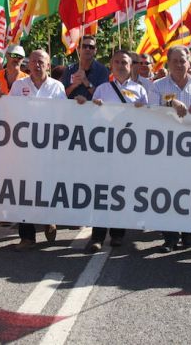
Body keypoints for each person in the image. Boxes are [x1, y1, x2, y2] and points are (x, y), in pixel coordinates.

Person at [77, 50, 148, 253]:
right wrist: (91, 106)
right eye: (116, 61)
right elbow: (92, 118)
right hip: (106, 151)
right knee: (102, 193)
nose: (120, 65)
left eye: (124, 62)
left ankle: (117, 234)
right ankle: (98, 236)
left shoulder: (139, 90)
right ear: (111, 65)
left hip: (128, 151)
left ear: (131, 65)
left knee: (120, 193)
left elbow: (147, 119)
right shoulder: (102, 89)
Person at [0, 49, 66, 251]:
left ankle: (49, 219)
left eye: (41, 62)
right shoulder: (19, 86)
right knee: (24, 191)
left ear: (48, 65)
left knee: (47, 186)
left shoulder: (57, 87)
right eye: (34, 62)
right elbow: (10, 110)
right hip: (24, 148)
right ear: (28, 65)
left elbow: (64, 114)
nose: (37, 65)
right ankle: (27, 237)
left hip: (49, 148)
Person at [150, 45, 191, 252]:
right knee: (167, 192)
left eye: (182, 60)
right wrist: (171, 102)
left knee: (189, 191)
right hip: (165, 149)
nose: (178, 64)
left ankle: (187, 233)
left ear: (189, 61)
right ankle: (169, 237)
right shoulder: (158, 86)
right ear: (168, 63)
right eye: (174, 61)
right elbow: (152, 112)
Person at [61, 35, 109, 100]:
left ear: (95, 50)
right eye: (84, 46)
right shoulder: (69, 70)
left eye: (91, 47)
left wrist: (86, 82)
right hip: (72, 109)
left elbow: (104, 96)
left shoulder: (102, 71)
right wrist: (74, 85)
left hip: (93, 109)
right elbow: (62, 95)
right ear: (78, 49)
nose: (87, 49)